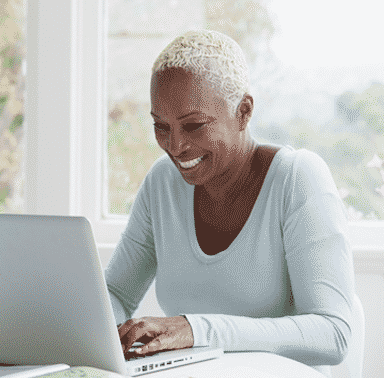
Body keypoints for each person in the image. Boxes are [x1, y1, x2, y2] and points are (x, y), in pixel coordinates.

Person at [104, 29, 355, 377]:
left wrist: (197, 330)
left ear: (243, 111)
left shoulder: (298, 178)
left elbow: (333, 334)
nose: (175, 146)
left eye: (194, 125)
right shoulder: (162, 183)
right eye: (161, 126)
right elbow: (115, 293)